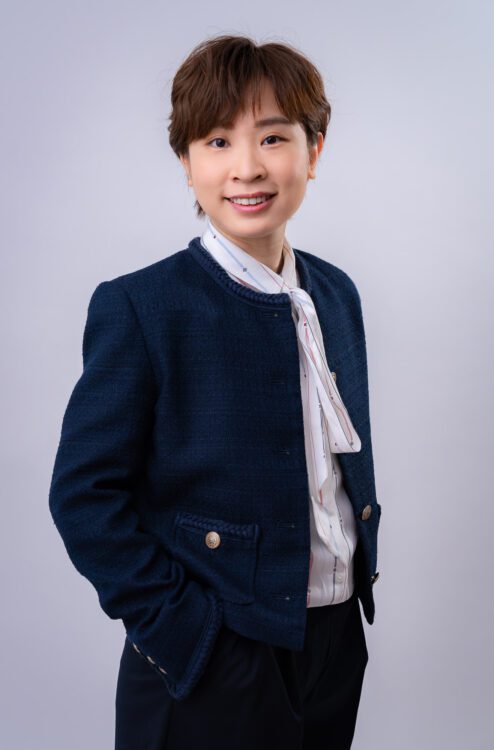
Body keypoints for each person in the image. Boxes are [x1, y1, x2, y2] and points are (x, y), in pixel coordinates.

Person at [48, 33, 382, 750]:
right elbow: (82, 495)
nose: (248, 168)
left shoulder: (336, 293)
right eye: (218, 141)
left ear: (313, 151)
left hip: (331, 637)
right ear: (186, 163)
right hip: (212, 653)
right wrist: (184, 631)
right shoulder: (143, 306)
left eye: (273, 137)